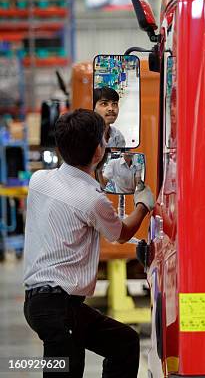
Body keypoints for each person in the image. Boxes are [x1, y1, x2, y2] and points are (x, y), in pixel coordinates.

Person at [22, 109, 155, 378]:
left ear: (60, 147)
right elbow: (121, 233)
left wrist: (99, 181)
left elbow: (74, 192)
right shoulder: (92, 200)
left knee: (124, 343)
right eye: (104, 142)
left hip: (44, 305)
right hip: (58, 310)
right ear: (98, 152)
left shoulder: (39, 181)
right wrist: (143, 203)